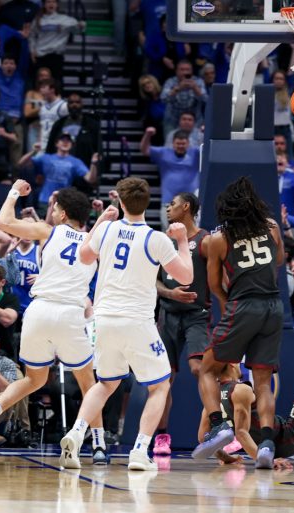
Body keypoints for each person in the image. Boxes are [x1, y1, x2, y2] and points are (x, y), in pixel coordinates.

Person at [0, 182, 109, 463]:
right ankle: (98, 444)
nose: (52, 213)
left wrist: (14, 193)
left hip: (39, 310)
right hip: (70, 314)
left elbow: (4, 222)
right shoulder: (95, 242)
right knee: (89, 384)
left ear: (64, 213)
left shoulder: (48, 232)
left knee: (34, 379)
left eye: (55, 209)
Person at [60, 176, 194, 471]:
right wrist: (183, 241)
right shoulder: (156, 238)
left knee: (106, 384)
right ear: (149, 202)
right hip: (137, 321)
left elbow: (84, 257)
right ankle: (139, 451)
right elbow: (186, 276)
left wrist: (99, 221)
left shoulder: (106, 229)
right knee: (160, 386)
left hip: (104, 320)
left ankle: (76, 433)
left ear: (120, 202)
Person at [191, 177, 285, 469]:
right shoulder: (272, 226)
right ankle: (266, 443)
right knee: (263, 382)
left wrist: (228, 303)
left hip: (242, 306)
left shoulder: (219, 238)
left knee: (207, 369)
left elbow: (214, 285)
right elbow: (279, 260)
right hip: (274, 306)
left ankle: (219, 426)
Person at [153, 192, 210, 455]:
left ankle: (216, 427)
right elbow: (154, 280)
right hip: (168, 314)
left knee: (199, 368)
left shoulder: (205, 240)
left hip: (197, 314)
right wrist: (170, 293)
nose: (168, 208)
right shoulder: (163, 241)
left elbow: (218, 276)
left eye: (172, 204)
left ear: (186, 207)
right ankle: (162, 437)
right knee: (165, 378)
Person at [139, 126, 200, 230]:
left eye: (183, 144)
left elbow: (209, 150)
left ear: (188, 144)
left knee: (191, 233)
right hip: (168, 203)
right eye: (178, 143)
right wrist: (148, 135)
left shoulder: (195, 153)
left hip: (189, 204)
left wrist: (206, 133)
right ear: (173, 143)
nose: (180, 146)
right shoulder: (164, 153)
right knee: (167, 233)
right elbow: (145, 150)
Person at [19, 133, 98, 212]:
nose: (65, 142)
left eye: (68, 141)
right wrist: (33, 151)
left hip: (63, 202)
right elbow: (21, 163)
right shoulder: (46, 158)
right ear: (56, 144)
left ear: (72, 145)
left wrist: (93, 163)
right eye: (62, 140)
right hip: (45, 201)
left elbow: (90, 179)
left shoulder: (76, 162)